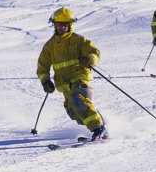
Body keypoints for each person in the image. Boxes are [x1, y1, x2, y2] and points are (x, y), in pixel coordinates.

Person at [37, 7, 108, 141]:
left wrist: (90, 59)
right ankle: (103, 126)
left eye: (66, 24)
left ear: (70, 25)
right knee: (74, 113)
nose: (63, 27)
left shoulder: (78, 41)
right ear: (55, 25)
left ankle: (99, 128)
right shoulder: (49, 47)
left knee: (78, 99)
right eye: (60, 24)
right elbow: (42, 67)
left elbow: (95, 52)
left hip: (81, 80)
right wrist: (45, 81)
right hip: (65, 85)